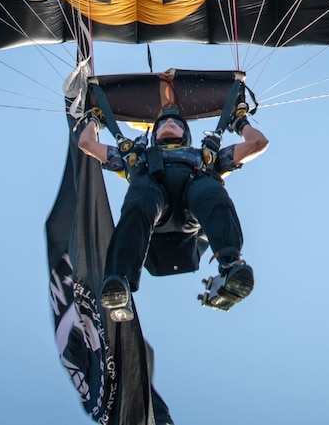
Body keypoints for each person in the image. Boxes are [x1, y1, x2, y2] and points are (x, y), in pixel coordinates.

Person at [77, 79, 269, 322]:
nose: (168, 121)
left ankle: (230, 265)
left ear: (185, 135)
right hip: (155, 208)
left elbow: (258, 143)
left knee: (211, 191)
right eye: (163, 122)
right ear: (154, 135)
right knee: (140, 196)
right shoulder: (136, 157)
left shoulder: (205, 157)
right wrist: (94, 119)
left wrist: (240, 122)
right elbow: (86, 144)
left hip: (193, 205)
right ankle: (118, 280)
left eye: (176, 123)